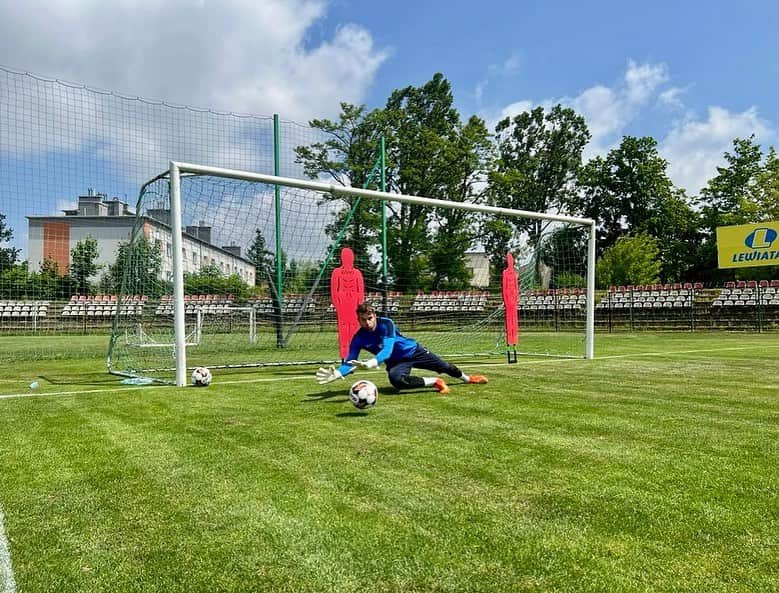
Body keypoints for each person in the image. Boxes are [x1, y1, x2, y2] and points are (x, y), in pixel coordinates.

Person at [316, 303, 488, 394]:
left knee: (445, 366)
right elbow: (349, 360)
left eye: (370, 318)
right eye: (363, 320)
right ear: (358, 320)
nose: (367, 323)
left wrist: (373, 361)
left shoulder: (387, 324)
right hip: (396, 362)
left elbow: (388, 348)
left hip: (413, 351)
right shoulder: (358, 338)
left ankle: (468, 379)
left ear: (375, 316)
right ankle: (435, 382)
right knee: (396, 381)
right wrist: (339, 373)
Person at [330, 247, 364, 361]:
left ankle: (353, 358)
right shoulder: (337, 272)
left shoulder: (357, 273)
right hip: (343, 307)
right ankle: (344, 357)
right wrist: (338, 305)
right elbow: (334, 291)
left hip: (354, 306)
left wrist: (359, 306)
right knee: (344, 331)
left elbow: (361, 291)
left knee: (354, 332)